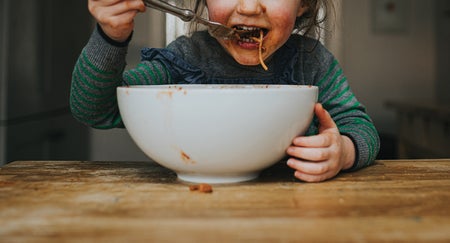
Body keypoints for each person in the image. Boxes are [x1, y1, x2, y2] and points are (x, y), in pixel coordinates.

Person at [70, 0, 380, 182]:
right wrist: (111, 37)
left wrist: (342, 151)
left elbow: (361, 128)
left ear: (304, 5)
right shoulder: (182, 61)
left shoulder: (312, 63)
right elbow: (96, 108)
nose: (247, 6)